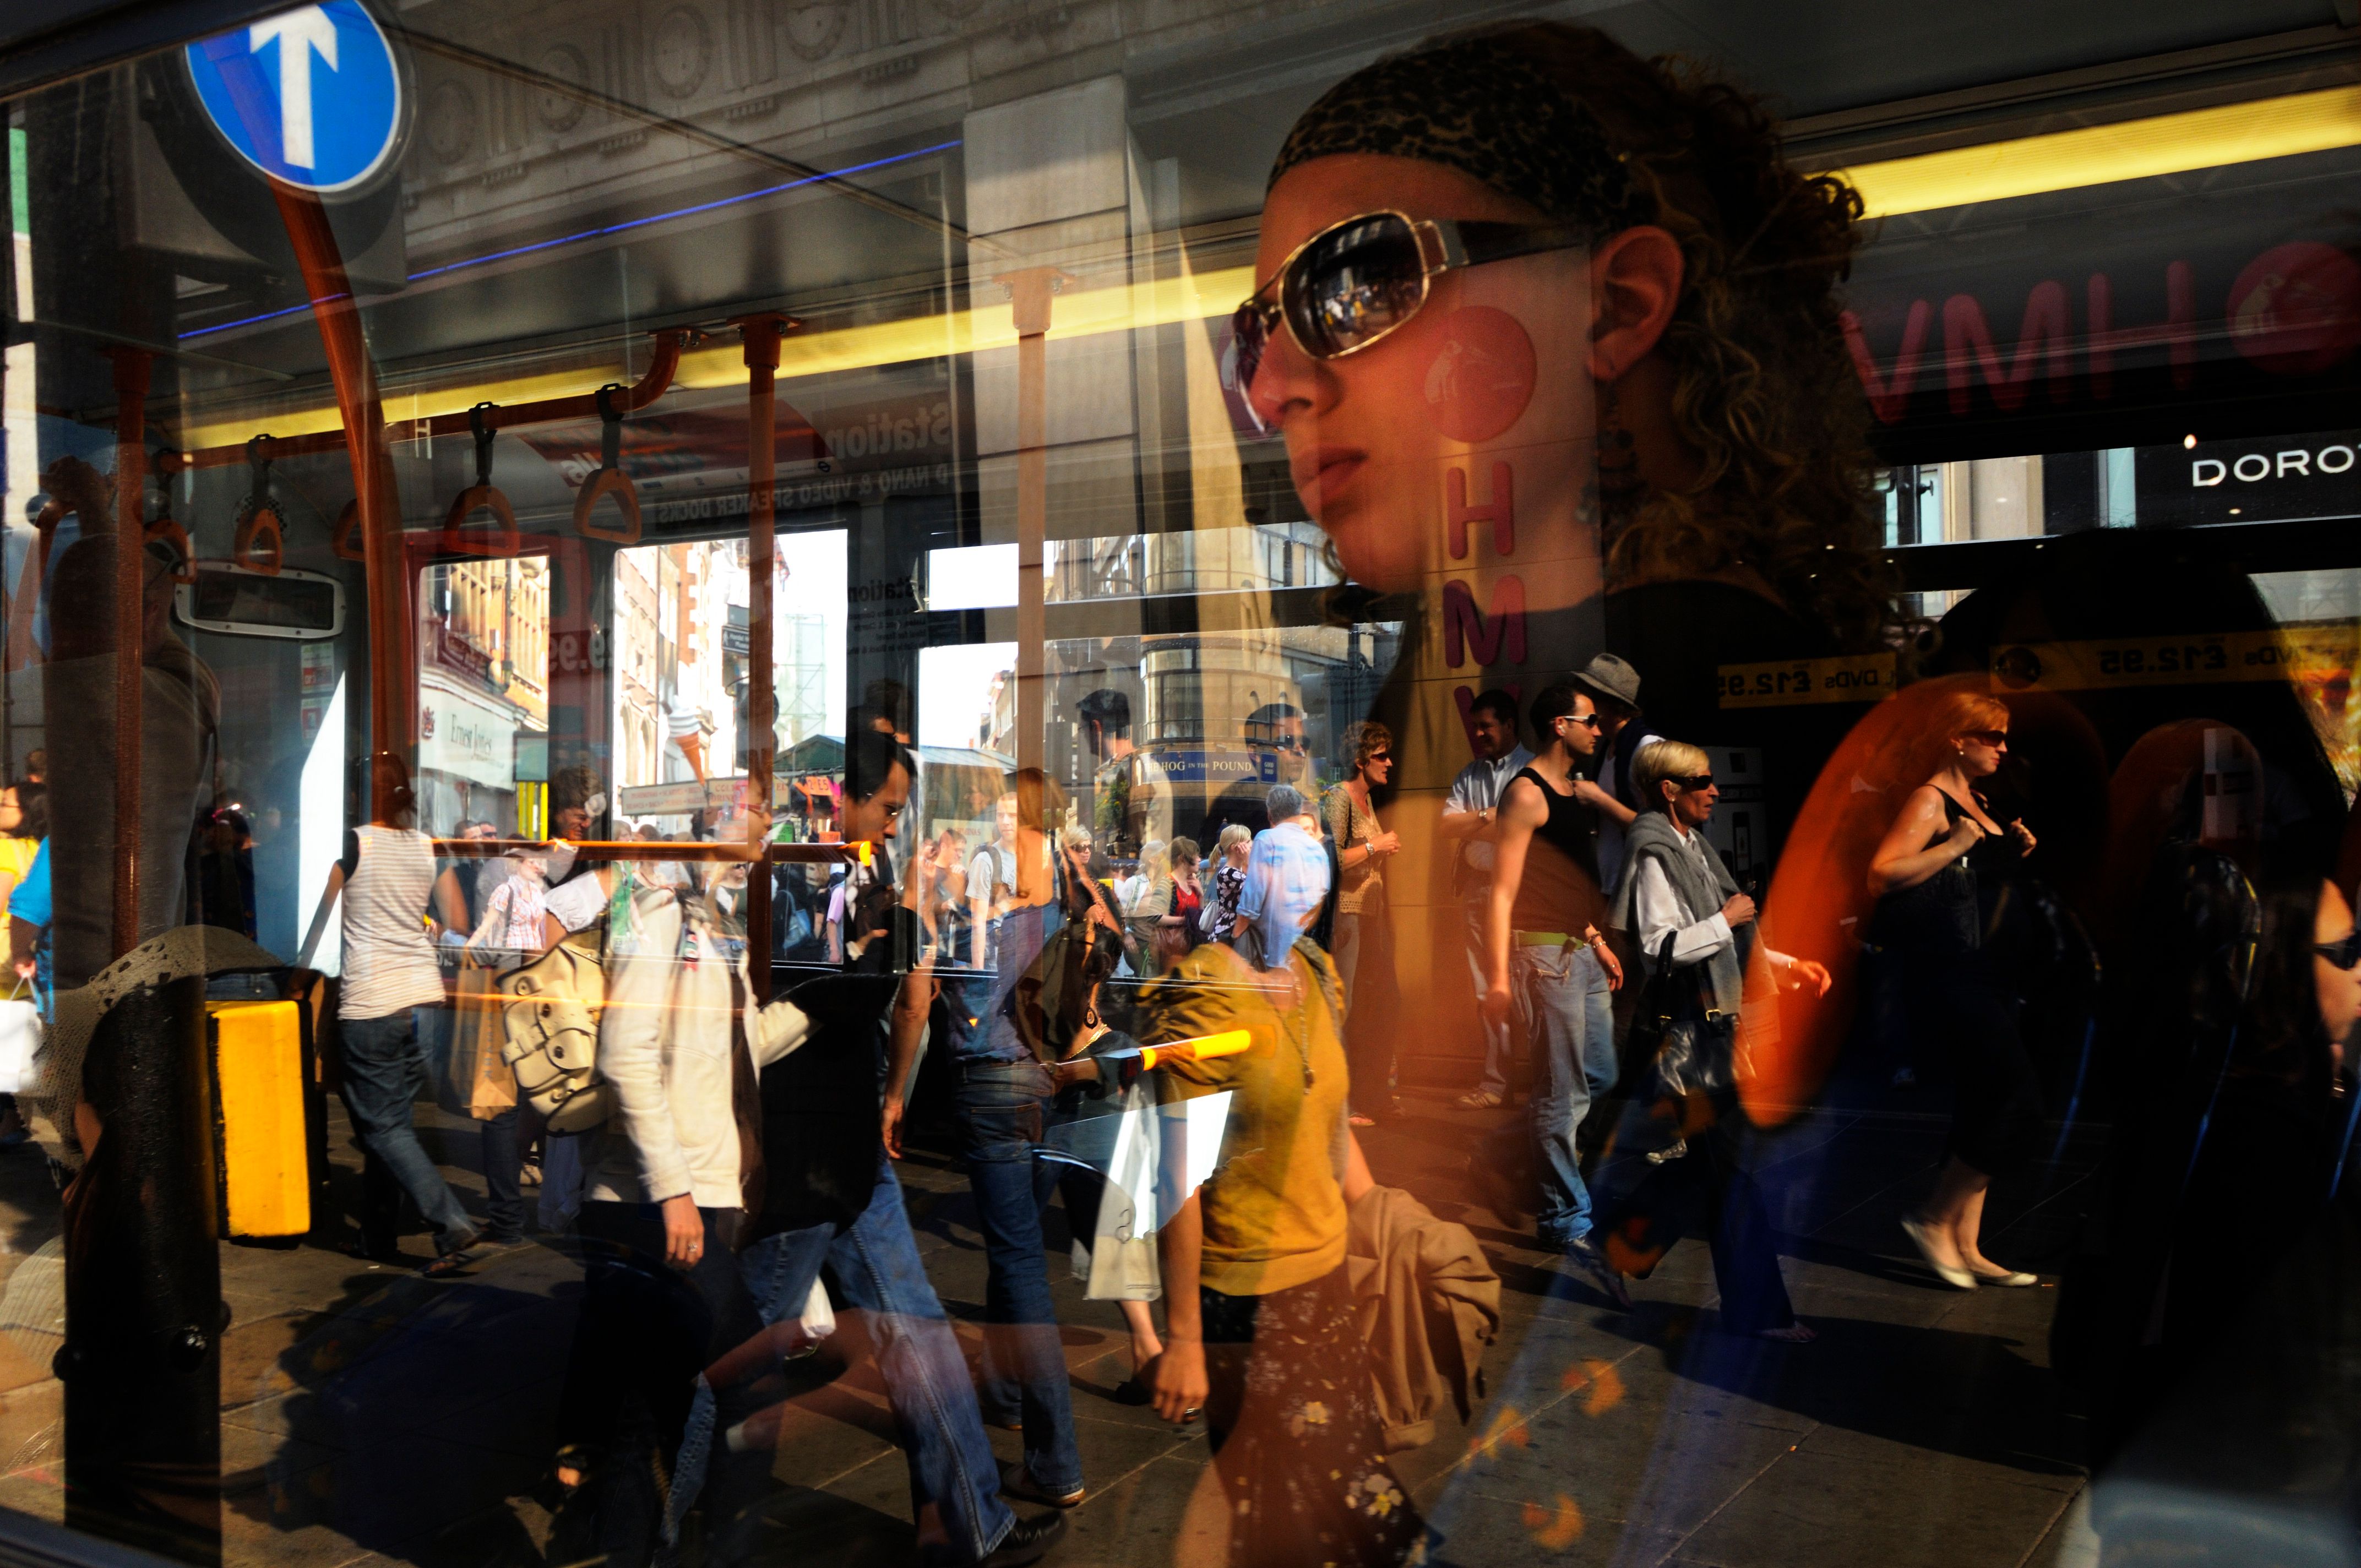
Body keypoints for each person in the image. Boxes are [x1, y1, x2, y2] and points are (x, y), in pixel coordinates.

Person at [1140, 792, 1422, 1568]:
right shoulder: (1203, 997)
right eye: (1286, 870)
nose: (1308, 891)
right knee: (1336, 1504)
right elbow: (1178, 1181)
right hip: (1248, 1304)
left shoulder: (1315, 972)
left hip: (1326, 1285)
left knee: (1305, 1510)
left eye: (1317, 874)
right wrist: (1186, 1338)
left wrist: (1399, 1225)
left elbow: (1332, 1134)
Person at [553, 804, 812, 1566]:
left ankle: (625, 1551)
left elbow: (734, 1046)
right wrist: (673, 1192)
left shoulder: (710, 913)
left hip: (699, 1193)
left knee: (645, 1413)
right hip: (656, 1203)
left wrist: (818, 1011)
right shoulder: (658, 906)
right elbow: (625, 1054)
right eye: (755, 807)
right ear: (714, 815)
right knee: (755, 1382)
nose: (767, 824)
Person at [1596, 739, 1825, 1338]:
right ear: (1669, 790)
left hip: (1712, 1031)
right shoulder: (1653, 852)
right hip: (1687, 1040)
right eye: (1701, 781)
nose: (1714, 790)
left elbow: (1727, 938)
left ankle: (1614, 1249)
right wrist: (1728, 920)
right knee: (1732, 1171)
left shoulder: (1692, 847)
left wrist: (1783, 961)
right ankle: (1758, 1312)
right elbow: (1661, 948)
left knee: (1706, 1169)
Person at [1866, 692, 2042, 1290]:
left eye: (2002, 737)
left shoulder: (1979, 801)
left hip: (1992, 973)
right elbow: (1881, 872)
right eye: (1990, 736)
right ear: (1955, 738)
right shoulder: (1930, 799)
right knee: (2014, 1096)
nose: (2002, 747)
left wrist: (2007, 848)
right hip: (1953, 975)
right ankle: (1932, 1217)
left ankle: (1967, 1244)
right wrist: (1956, 845)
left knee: (1984, 1100)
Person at [318, 754, 482, 1273]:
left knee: (384, 1128)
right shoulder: (423, 844)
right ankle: (376, 1236)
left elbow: (322, 922)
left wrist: (300, 980)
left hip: (372, 1002)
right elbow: (456, 919)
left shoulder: (353, 842)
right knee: (390, 1126)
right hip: (422, 1001)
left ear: (359, 795)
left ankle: (450, 1222)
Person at [1480, 682, 1624, 1264]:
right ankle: (1564, 1217)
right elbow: (1503, 891)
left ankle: (1498, 1150)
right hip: (1544, 959)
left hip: (1581, 953)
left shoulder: (1571, 791)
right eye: (1589, 720)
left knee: (1601, 1076)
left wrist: (1595, 938)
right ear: (1559, 725)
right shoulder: (1526, 793)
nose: (1598, 728)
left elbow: (1561, 883)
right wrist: (1496, 977)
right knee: (1561, 1096)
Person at [1440, 690, 1533, 1109]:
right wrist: (1487, 817)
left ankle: (1537, 1082)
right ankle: (1496, 1083)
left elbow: (1524, 832)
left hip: (1526, 892)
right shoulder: (1470, 774)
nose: (1478, 734)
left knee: (1531, 987)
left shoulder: (1532, 770)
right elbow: (1446, 826)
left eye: (1487, 726)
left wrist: (1481, 824)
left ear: (1510, 724)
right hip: (1479, 891)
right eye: (1476, 726)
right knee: (1485, 989)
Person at [1322, 722, 1402, 1124]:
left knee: (1380, 1002)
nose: (1389, 763)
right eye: (1381, 756)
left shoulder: (1367, 801)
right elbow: (1331, 860)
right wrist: (1376, 845)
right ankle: (1340, 1102)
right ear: (1360, 761)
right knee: (1347, 1007)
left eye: (1389, 755)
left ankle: (1370, 1093)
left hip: (1372, 915)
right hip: (1348, 915)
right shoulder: (1341, 798)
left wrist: (1378, 850)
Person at [1564, 653, 1658, 896]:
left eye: (1589, 696)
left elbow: (1662, 829)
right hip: (1612, 885)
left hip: (1643, 890)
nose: (1582, 702)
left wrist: (1599, 800)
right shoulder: (1607, 747)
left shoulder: (1647, 747)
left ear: (1610, 703)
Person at [1075, 688, 1171, 860]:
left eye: (1081, 730)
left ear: (1097, 728)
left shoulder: (1140, 772)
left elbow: (1148, 850)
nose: (1081, 737)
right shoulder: (1123, 769)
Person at [1200, 823, 1252, 944]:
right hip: (1228, 935)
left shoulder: (1238, 870)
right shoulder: (1228, 873)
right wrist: (1249, 861)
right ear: (1236, 848)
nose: (1252, 845)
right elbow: (1256, 890)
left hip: (1235, 932)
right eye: (1248, 841)